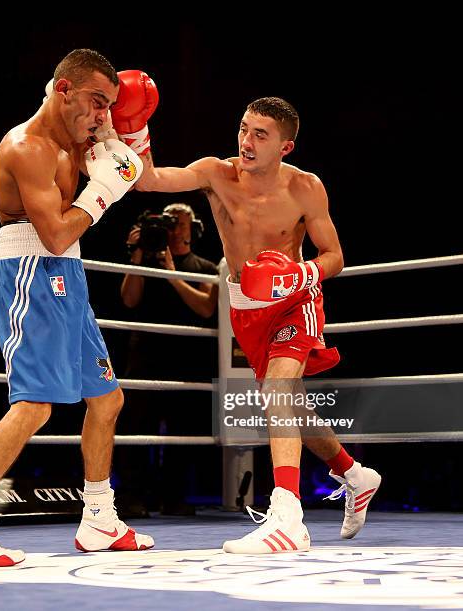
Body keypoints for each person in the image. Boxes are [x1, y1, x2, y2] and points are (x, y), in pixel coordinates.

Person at [0, 49, 155, 567]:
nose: (103, 116)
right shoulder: (28, 147)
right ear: (63, 89)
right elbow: (54, 234)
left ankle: (98, 518)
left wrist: (130, 139)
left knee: (106, 398)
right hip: (32, 268)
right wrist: (100, 193)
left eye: (111, 106)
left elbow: (140, 176)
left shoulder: (77, 142)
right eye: (98, 102)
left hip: (67, 275)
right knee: (35, 405)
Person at [132, 95, 382, 554]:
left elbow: (335, 256)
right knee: (292, 408)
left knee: (276, 393)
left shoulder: (306, 188)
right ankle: (354, 473)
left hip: (294, 300)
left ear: (285, 147)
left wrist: (299, 273)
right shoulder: (216, 173)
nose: (246, 141)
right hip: (244, 306)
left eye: (260, 134)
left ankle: (287, 517)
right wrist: (134, 131)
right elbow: (148, 180)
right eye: (244, 128)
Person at [120, 203, 218, 513]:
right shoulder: (145, 262)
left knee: (182, 429)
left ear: (193, 228)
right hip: (146, 353)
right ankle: (133, 495)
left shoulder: (205, 267)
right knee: (137, 427)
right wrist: (136, 253)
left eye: (179, 223)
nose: (173, 228)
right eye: (167, 223)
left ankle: (173, 496)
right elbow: (129, 299)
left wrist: (173, 275)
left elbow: (206, 308)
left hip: (186, 357)